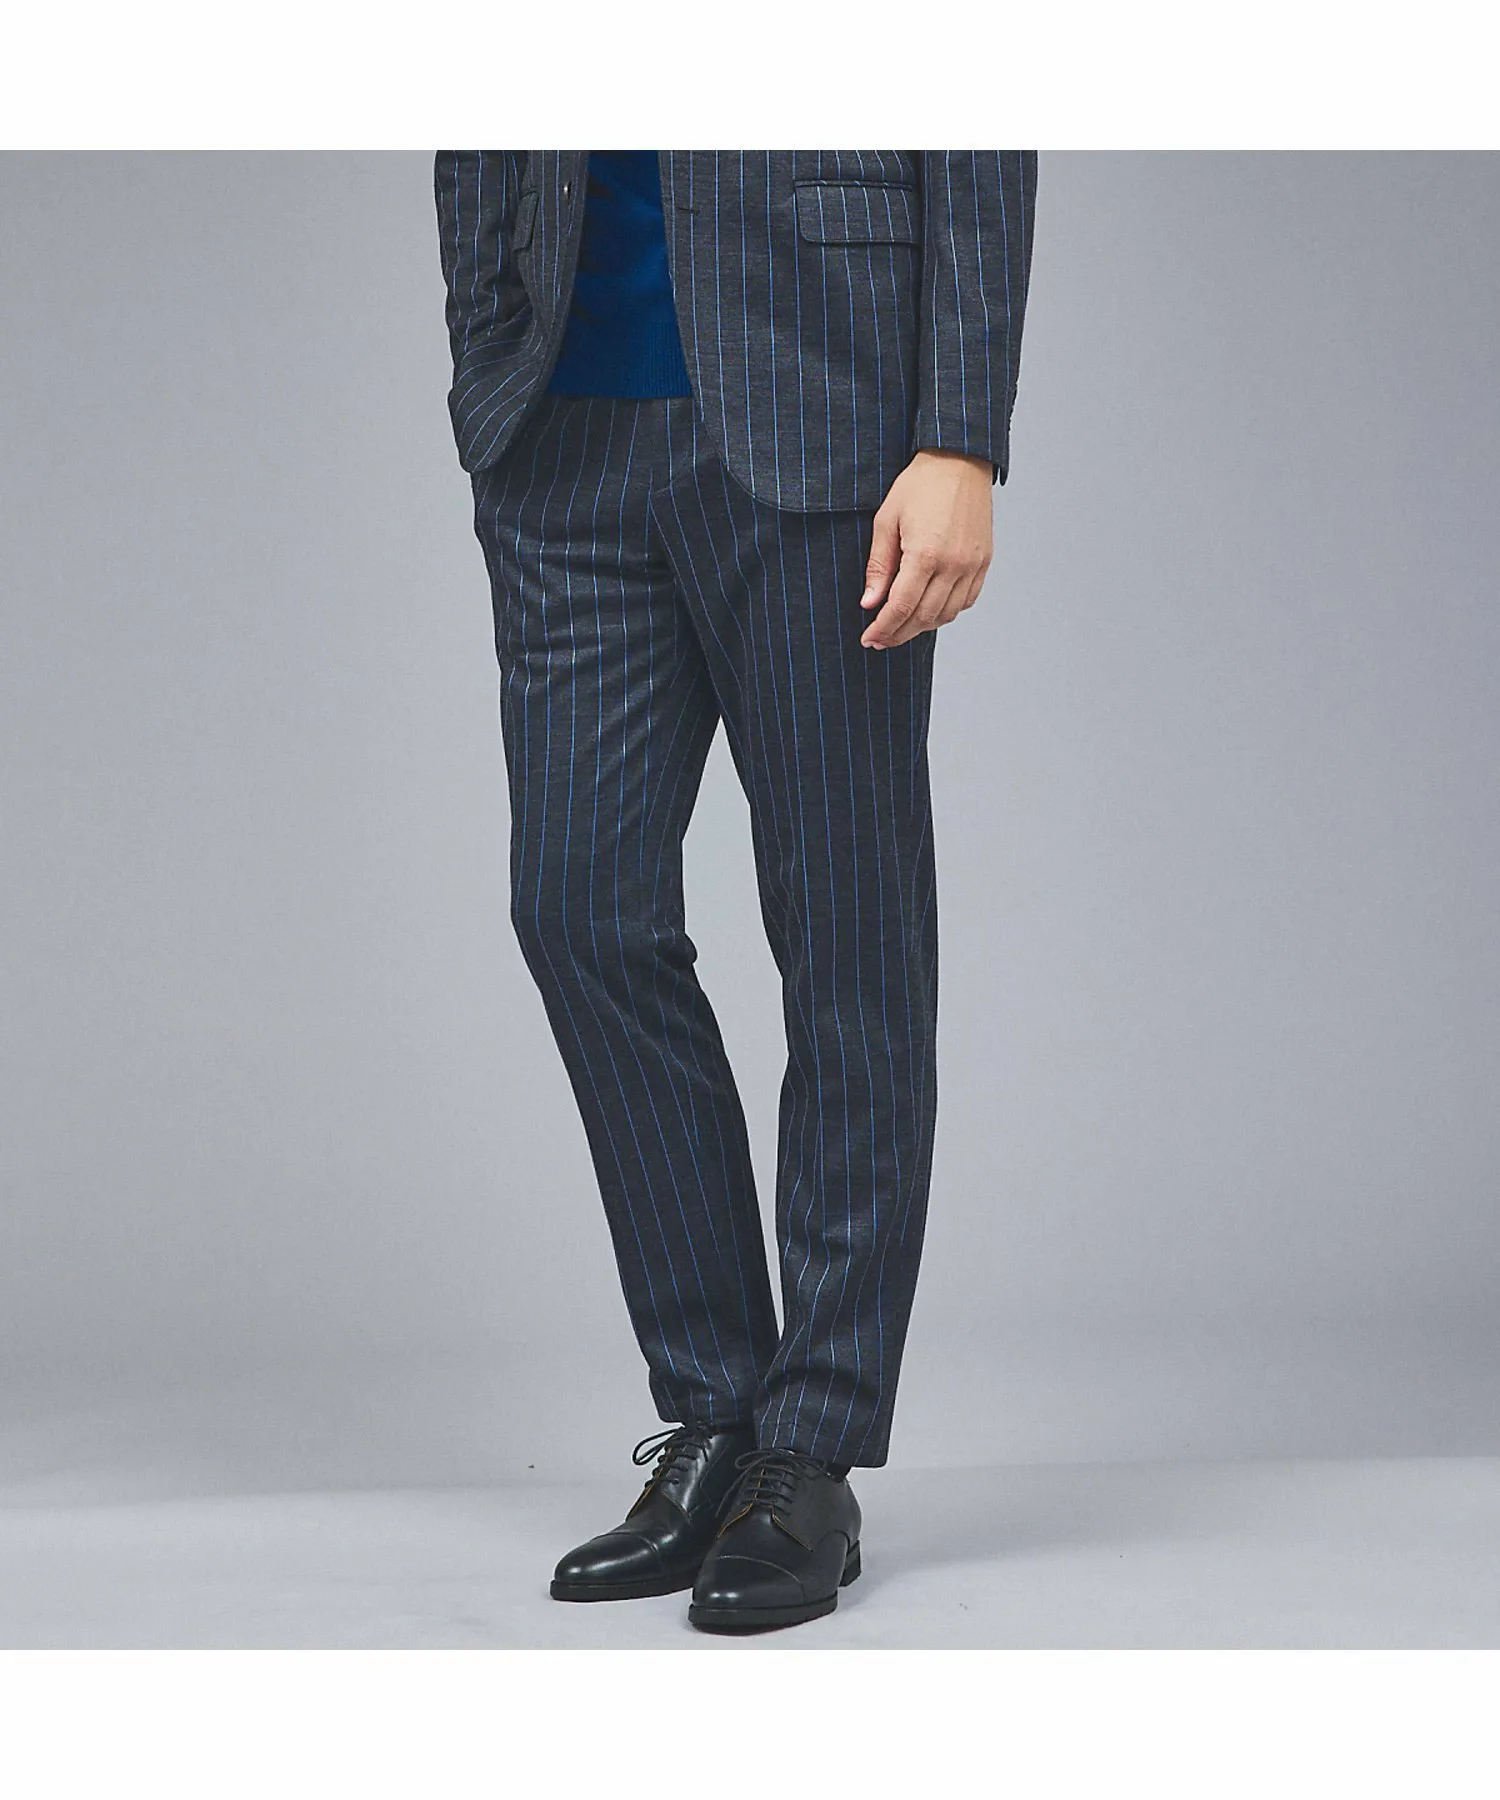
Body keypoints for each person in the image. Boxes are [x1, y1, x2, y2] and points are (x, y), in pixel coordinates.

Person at [434, 149, 1037, 1632]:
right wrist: (490, 347)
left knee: (847, 937)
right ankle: (715, 1414)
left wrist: (961, 435)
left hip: (820, 409)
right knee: (577, 907)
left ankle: (810, 1451)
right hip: (561, 433)